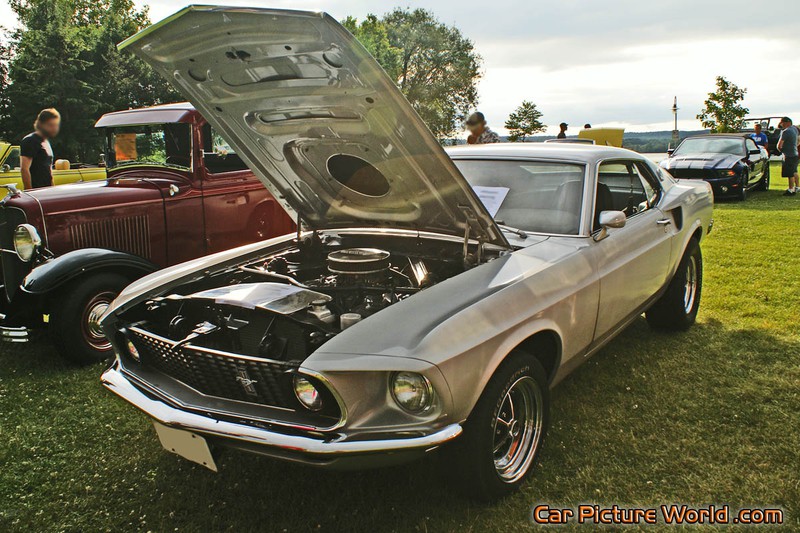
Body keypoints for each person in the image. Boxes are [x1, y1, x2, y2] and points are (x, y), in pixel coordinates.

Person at [20, 108, 60, 190]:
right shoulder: (30, 140)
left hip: (47, 190)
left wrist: (53, 189)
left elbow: (48, 170)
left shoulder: (46, 142)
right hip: (36, 191)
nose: (54, 128)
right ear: (41, 124)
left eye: (55, 125)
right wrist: (29, 192)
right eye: (50, 125)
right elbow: (24, 169)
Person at [777, 117, 799, 196]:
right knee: (794, 171)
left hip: (788, 155)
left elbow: (779, 145)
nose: (781, 124)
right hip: (795, 154)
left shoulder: (786, 131)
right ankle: (797, 186)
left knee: (790, 174)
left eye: (782, 123)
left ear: (787, 122)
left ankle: (791, 189)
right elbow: (798, 140)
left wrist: (781, 151)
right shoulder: (795, 129)